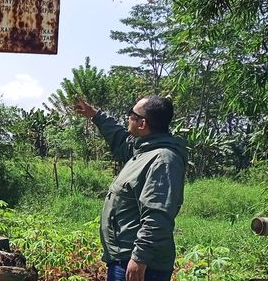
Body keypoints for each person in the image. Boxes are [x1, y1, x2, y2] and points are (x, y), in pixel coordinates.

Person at [74, 96, 187, 281]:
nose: (128, 118)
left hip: (141, 265)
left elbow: (157, 215)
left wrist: (140, 258)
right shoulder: (144, 150)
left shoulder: (163, 160)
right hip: (124, 258)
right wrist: (94, 115)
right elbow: (120, 140)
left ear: (142, 123)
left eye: (131, 114)